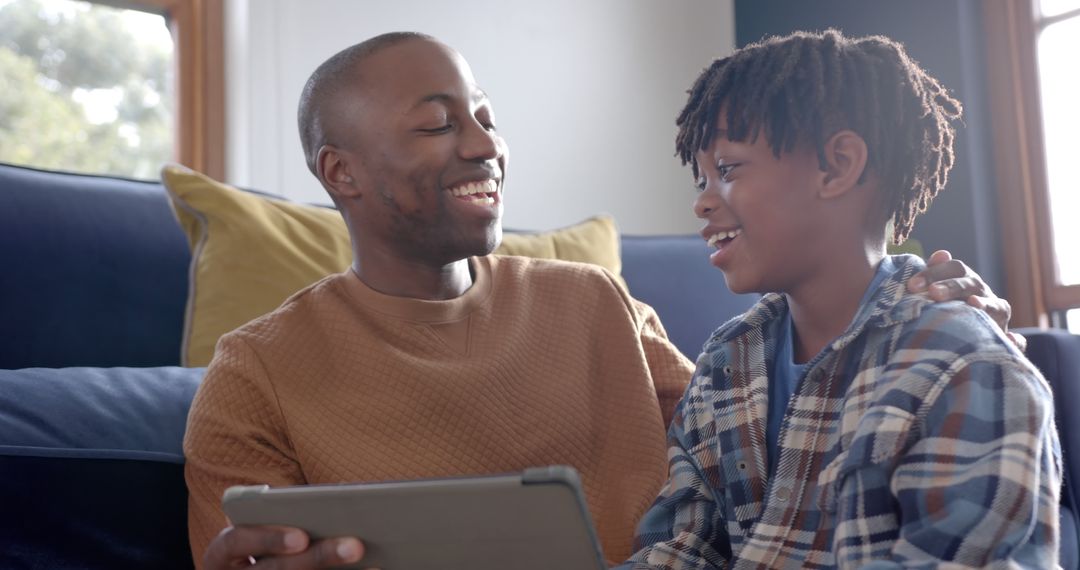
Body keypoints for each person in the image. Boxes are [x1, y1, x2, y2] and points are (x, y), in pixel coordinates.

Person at [186, 32, 1021, 569]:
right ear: (342, 173)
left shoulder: (598, 306)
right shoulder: (254, 373)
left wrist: (912, 311)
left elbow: (769, 449)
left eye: (485, 116)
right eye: (440, 125)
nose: (486, 145)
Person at [621, 29, 1060, 569]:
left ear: (837, 165)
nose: (703, 203)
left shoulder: (963, 367)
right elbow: (683, 546)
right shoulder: (723, 365)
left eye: (728, 170)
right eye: (701, 179)